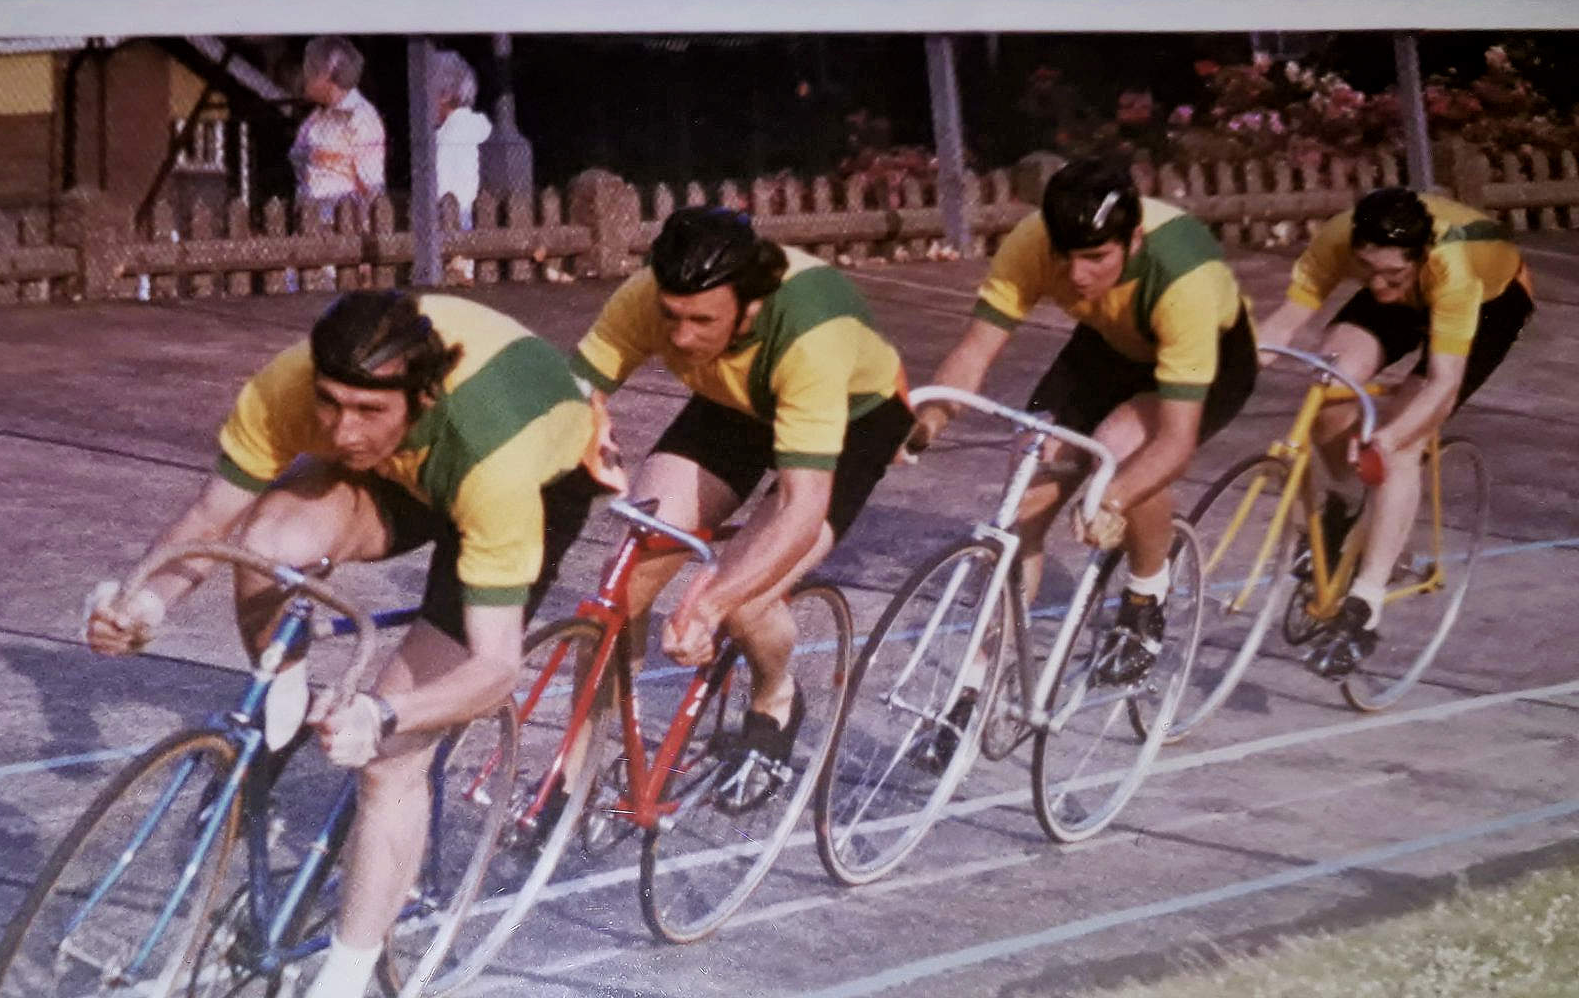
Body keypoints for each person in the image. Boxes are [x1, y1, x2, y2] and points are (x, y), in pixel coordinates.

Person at [84, 291, 606, 998]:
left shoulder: (490, 458)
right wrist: (144, 602)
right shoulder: (295, 386)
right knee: (265, 539)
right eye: (329, 403)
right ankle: (282, 705)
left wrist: (387, 719)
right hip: (408, 478)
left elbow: (498, 667)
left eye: (367, 410)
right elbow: (208, 521)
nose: (340, 429)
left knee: (393, 762)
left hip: (526, 480)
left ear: (420, 398)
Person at [914, 155, 1258, 758]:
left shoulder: (1184, 282)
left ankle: (1147, 597)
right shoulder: (1031, 244)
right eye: (1067, 256)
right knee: (1024, 508)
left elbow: (1174, 440)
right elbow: (974, 352)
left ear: (1134, 238)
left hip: (1205, 360)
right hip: (1104, 348)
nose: (1075, 276)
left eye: (1096, 258)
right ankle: (972, 688)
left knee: (1122, 461)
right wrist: (926, 423)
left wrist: (1115, 497)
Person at [570, 204, 914, 807]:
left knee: (741, 598)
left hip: (852, 417)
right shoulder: (648, 295)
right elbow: (570, 397)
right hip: (733, 402)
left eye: (702, 320)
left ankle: (776, 695)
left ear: (750, 307)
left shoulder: (811, 334)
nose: (679, 337)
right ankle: (575, 773)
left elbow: (801, 507)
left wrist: (716, 599)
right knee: (621, 588)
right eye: (671, 317)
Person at [1252, 186, 1534, 676]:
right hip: (1419, 282)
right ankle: (1348, 502)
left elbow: (1442, 386)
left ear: (1419, 255)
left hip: (1490, 301)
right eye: (1367, 271)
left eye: (1391, 275)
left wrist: (1391, 436)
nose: (1378, 287)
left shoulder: (1453, 269)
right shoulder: (1344, 239)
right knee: (1330, 381)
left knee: (1403, 443)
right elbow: (1286, 321)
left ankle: (1366, 602)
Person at [289, 36, 386, 213]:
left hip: (343, 226)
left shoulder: (361, 118)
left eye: (310, 69)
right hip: (310, 223)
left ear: (327, 74)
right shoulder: (315, 118)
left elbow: (372, 187)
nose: (304, 76)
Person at [433, 48, 492, 229]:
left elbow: (440, 192)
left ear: (445, 95)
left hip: (454, 231)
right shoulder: (479, 129)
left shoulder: (448, 137)